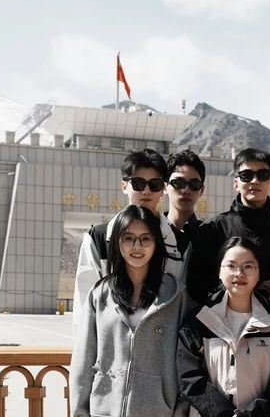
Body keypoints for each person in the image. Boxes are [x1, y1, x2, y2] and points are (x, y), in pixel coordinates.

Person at [70, 205, 190, 417]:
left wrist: (180, 411)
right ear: (117, 243)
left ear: (156, 243)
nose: (137, 246)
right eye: (128, 238)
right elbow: (84, 358)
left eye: (145, 239)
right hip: (104, 412)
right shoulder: (100, 294)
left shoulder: (176, 297)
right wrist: (80, 411)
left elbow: (187, 363)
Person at [72, 148, 181, 333]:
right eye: (138, 183)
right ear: (124, 186)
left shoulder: (178, 242)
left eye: (154, 184)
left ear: (163, 189)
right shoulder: (98, 239)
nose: (146, 191)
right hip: (111, 342)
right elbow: (84, 305)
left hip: (162, 343)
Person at [177, 237, 270, 416]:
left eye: (248, 266)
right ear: (219, 271)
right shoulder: (198, 320)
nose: (239, 273)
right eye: (231, 266)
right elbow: (189, 377)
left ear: (259, 273)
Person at [198, 148, 270, 298]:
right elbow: (198, 282)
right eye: (247, 175)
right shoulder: (212, 229)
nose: (255, 181)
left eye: (263, 175)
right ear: (235, 183)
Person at [164, 149, 207, 303]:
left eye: (194, 184)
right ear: (165, 186)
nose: (186, 190)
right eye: (178, 183)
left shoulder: (209, 235)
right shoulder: (150, 233)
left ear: (201, 190)